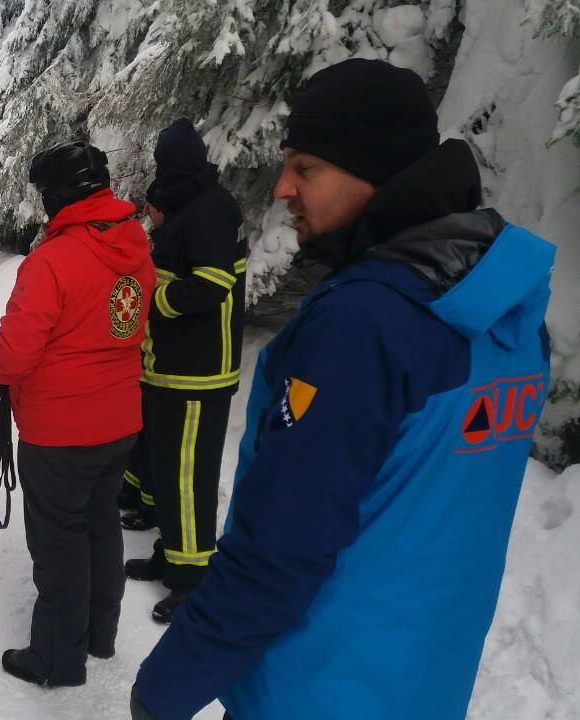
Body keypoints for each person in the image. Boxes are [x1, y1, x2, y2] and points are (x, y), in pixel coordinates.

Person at [132, 59, 555, 720]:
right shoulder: (511, 317)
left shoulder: (365, 325)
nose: (281, 188)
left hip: (318, 683)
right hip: (426, 681)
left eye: (305, 168)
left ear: (374, 171)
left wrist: (166, 688)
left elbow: (280, 547)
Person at [0, 140, 155, 688]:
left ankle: (57, 660)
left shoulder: (54, 259)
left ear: (57, 195)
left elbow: (16, 351)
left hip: (60, 431)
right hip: (120, 420)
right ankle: (99, 635)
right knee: (100, 523)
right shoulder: (135, 246)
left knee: (59, 541)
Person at [123, 118, 246, 624]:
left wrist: (155, 298)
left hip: (200, 371)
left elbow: (211, 284)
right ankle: (172, 556)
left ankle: (193, 581)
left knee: (190, 479)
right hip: (169, 366)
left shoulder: (213, 210)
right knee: (166, 471)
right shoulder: (189, 203)